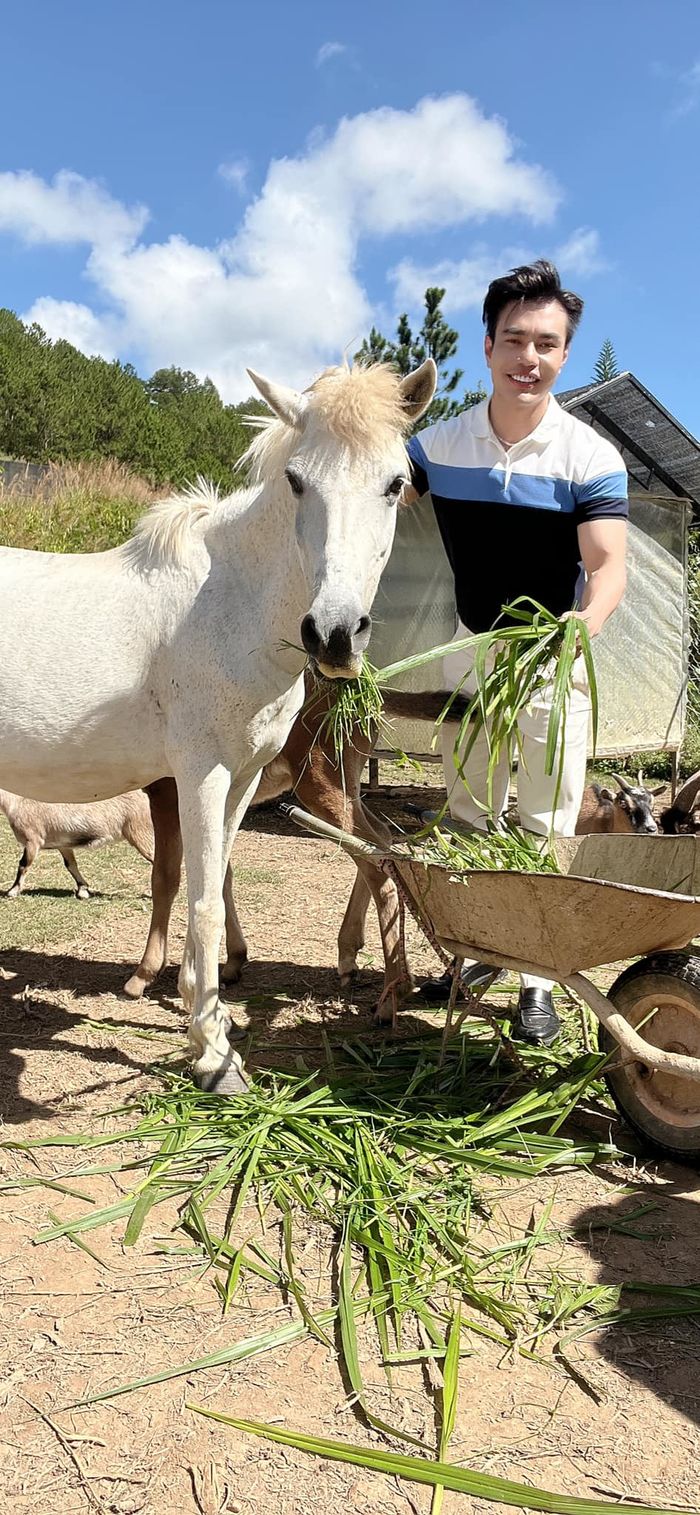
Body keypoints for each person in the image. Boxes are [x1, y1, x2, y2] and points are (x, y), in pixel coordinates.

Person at [405, 259, 628, 1045]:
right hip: (471, 653)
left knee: (542, 819)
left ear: (564, 354)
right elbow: (376, 490)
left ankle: (536, 979)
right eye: (513, 340)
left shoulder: (589, 457)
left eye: (546, 343)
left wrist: (582, 629)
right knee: (466, 812)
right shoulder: (437, 445)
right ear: (489, 346)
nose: (527, 358)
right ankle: (473, 954)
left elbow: (607, 567)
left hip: (551, 664)